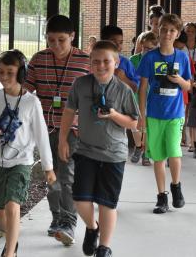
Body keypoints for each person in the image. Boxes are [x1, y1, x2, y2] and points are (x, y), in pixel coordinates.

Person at [58, 40, 139, 257]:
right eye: (96, 62)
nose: (101, 66)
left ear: (116, 62)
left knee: (106, 203)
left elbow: (133, 123)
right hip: (86, 150)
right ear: (90, 63)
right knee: (81, 199)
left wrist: (113, 115)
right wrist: (62, 140)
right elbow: (68, 111)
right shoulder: (80, 84)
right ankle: (92, 228)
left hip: (114, 154)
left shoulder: (123, 90)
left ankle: (104, 247)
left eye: (106, 61)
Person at [0, 49, 57, 257]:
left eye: (10, 72)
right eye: (1, 72)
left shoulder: (32, 102)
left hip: (21, 163)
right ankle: (12, 242)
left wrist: (48, 167)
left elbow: (41, 136)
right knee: (2, 213)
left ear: (21, 74)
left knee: (13, 207)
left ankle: (9, 253)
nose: (4, 77)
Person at [24, 15, 90, 244]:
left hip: (73, 130)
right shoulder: (38, 60)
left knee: (68, 175)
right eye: (51, 40)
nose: (56, 45)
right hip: (45, 130)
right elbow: (25, 92)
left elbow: (94, 97)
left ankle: (69, 222)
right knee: (51, 176)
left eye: (61, 40)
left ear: (72, 36)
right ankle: (57, 218)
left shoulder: (85, 61)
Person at [137, 13, 192, 214]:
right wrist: (141, 116)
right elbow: (142, 87)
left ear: (177, 34)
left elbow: (188, 86)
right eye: (163, 29)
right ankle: (161, 197)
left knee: (174, 151)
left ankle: (176, 186)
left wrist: (179, 81)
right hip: (154, 113)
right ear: (157, 30)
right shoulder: (149, 57)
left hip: (175, 114)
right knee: (158, 156)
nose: (167, 33)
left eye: (172, 30)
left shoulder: (182, 57)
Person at [129, 31, 158, 166]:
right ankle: (139, 145)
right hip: (134, 96)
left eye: (150, 49)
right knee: (135, 125)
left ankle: (146, 154)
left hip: (150, 97)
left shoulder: (157, 61)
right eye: (145, 47)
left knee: (146, 126)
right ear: (141, 45)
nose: (147, 51)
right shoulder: (133, 60)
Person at [100, 25, 140, 93]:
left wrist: (124, 78)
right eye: (114, 42)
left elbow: (135, 89)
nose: (118, 45)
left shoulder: (126, 63)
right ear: (103, 41)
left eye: (121, 42)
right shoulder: (94, 62)